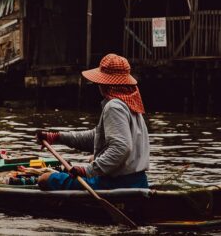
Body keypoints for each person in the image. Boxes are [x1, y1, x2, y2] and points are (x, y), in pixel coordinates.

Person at [36, 53, 150, 191]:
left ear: (104, 83)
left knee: (44, 179)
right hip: (139, 182)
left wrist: (88, 170)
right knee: (91, 159)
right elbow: (97, 137)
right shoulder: (131, 104)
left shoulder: (114, 106)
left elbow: (121, 148)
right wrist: (56, 137)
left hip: (115, 184)